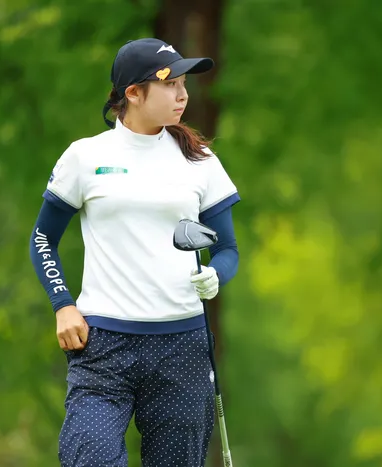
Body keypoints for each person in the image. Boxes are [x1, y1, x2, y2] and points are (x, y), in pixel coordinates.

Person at [29, 38, 240, 467]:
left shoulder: (199, 160)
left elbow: (228, 249)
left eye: (184, 84)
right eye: (170, 84)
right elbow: (42, 238)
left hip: (183, 346)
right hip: (102, 346)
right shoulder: (86, 156)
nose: (182, 94)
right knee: (90, 457)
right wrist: (63, 305)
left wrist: (217, 275)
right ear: (133, 93)